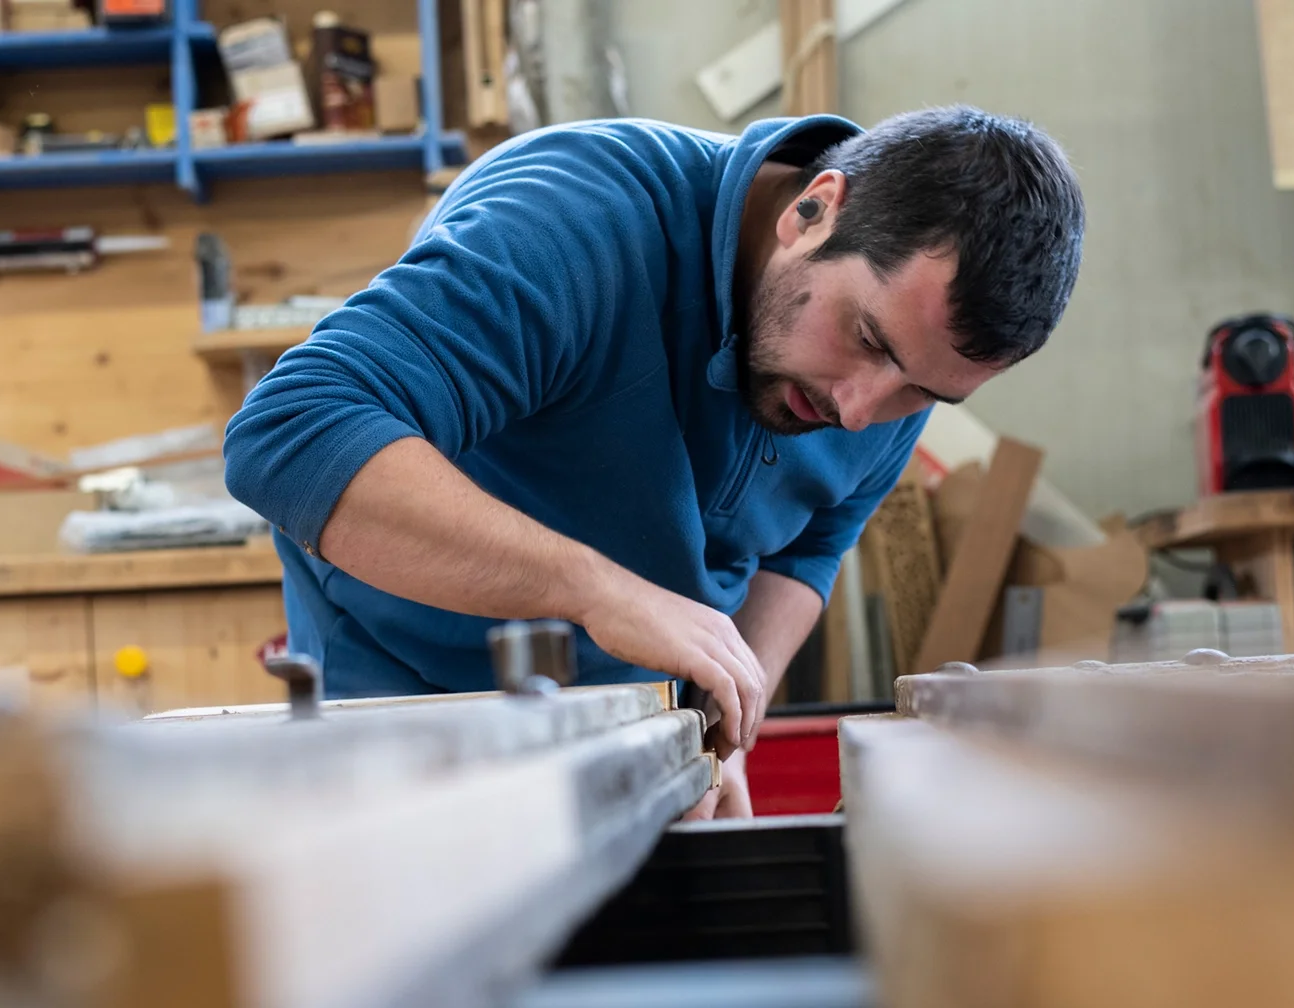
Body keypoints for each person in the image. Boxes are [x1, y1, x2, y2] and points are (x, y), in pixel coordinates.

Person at [225, 105, 1085, 816]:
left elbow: (807, 542)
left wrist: (722, 725)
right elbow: (292, 432)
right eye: (864, 338)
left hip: (634, 725)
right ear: (813, 210)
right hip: (412, 689)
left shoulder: (894, 373)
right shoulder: (576, 224)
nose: (860, 410)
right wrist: (597, 592)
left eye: (922, 394)